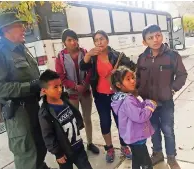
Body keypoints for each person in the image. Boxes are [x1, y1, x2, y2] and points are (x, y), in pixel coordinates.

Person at [0, 12, 52, 169]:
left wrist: (40, 86)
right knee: (26, 152)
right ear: (6, 29)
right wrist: (29, 86)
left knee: (39, 143)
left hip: (33, 106)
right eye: (19, 25)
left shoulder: (21, 48)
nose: (24, 29)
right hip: (18, 112)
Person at [80, 30, 136, 163]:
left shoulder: (117, 56)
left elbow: (133, 67)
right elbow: (82, 67)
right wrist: (88, 54)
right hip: (100, 96)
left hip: (117, 95)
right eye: (96, 40)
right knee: (105, 122)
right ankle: (109, 148)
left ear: (107, 40)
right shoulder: (93, 57)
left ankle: (124, 146)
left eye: (101, 39)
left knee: (121, 122)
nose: (99, 42)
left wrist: (121, 74)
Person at [136, 24, 188, 169]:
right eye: (150, 38)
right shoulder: (142, 58)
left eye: (158, 35)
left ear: (162, 36)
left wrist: (172, 89)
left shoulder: (172, 56)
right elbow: (137, 77)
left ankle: (171, 157)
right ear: (145, 42)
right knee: (153, 130)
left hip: (166, 102)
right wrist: (139, 91)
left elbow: (182, 75)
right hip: (148, 104)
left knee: (168, 130)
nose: (155, 40)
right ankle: (157, 153)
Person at [55, 29, 99, 154]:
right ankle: (77, 145)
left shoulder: (84, 52)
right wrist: (74, 86)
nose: (73, 42)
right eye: (69, 40)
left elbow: (90, 70)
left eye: (75, 39)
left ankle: (90, 143)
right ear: (64, 42)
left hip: (85, 92)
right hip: (72, 94)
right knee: (73, 120)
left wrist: (84, 84)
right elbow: (61, 77)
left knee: (87, 118)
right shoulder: (61, 57)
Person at [38, 69, 93, 169]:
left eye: (60, 86)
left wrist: (79, 122)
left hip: (79, 147)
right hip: (64, 153)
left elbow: (74, 112)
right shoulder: (45, 113)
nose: (60, 89)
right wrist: (58, 153)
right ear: (44, 90)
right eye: (55, 87)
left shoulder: (64, 99)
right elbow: (48, 136)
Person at [111, 66, 157, 169]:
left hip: (133, 136)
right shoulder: (127, 100)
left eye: (133, 77)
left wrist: (146, 103)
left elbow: (138, 108)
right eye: (128, 79)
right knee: (146, 163)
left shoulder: (125, 97)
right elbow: (140, 116)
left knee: (136, 159)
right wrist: (150, 106)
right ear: (119, 84)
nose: (132, 81)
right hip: (136, 137)